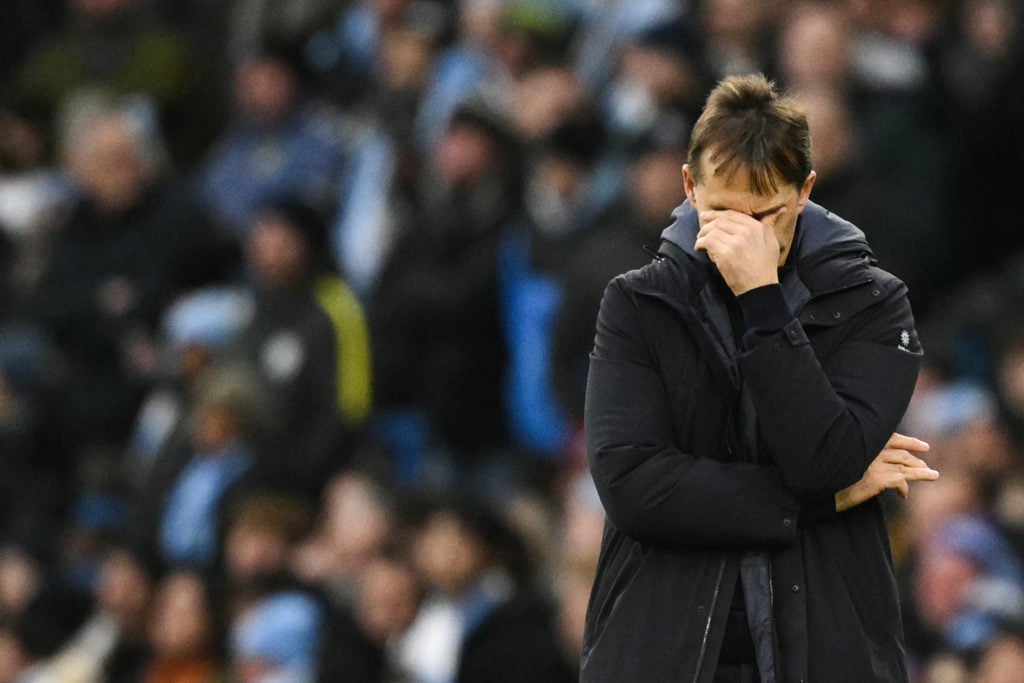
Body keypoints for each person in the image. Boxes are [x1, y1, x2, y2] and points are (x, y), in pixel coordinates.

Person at [581, 73, 940, 682]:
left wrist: (763, 302)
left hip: (827, 647)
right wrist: (820, 502)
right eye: (722, 212)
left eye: (765, 214)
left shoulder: (871, 305)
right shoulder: (638, 303)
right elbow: (634, 487)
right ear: (690, 187)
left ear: (806, 191)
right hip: (662, 650)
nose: (742, 239)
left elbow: (822, 458)